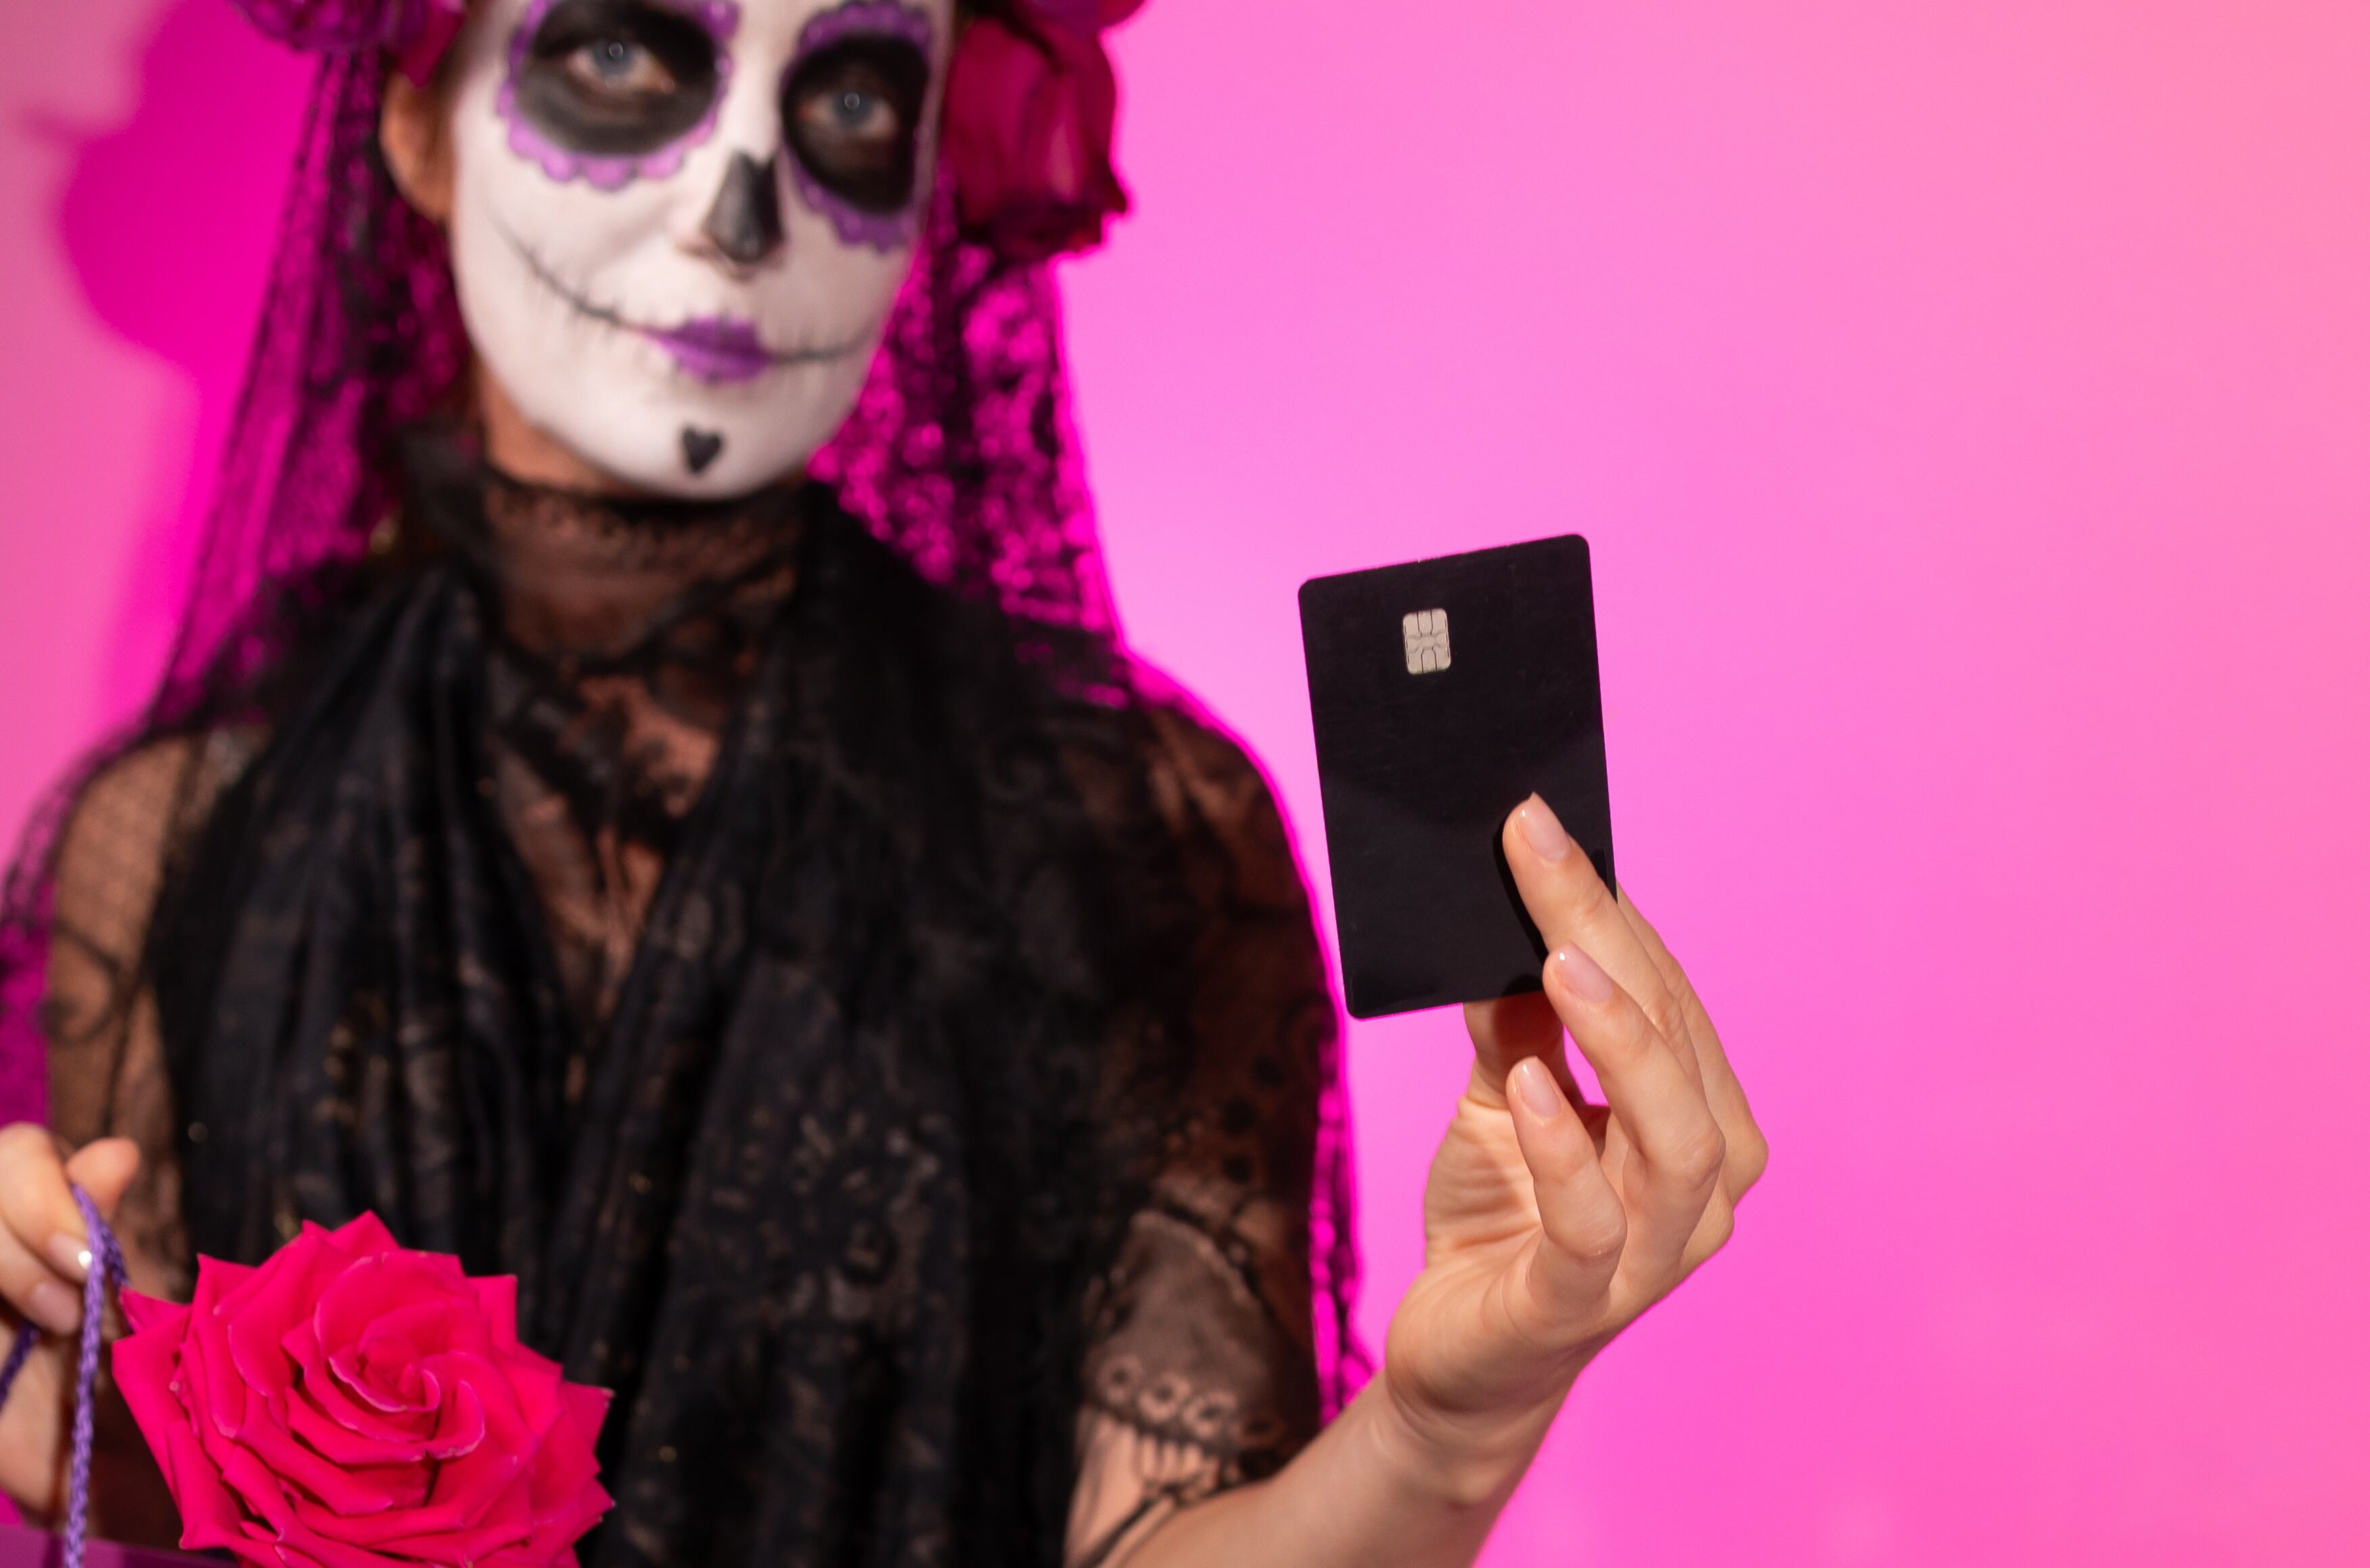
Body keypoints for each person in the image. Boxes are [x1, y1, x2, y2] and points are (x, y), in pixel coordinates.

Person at [0, 0, 1767, 1563]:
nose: (745, 201)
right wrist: (71, 1416)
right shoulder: (178, 840)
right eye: (622, 54)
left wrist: (1443, 1430)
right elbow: (163, 1499)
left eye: (846, 97)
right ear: (412, 112)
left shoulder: (1124, 832)